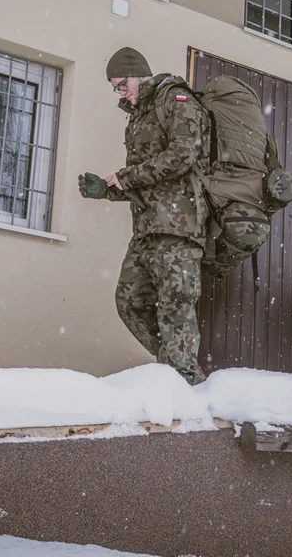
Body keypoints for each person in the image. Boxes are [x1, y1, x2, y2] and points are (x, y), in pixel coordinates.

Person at [78, 47, 210, 385]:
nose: (120, 93)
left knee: (175, 306)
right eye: (116, 88)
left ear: (138, 74)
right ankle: (172, 371)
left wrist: (126, 177)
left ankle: (185, 382)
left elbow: (183, 155)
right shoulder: (139, 115)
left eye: (122, 85)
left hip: (179, 226)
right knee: (130, 301)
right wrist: (107, 189)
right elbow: (144, 179)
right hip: (147, 228)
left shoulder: (176, 100)